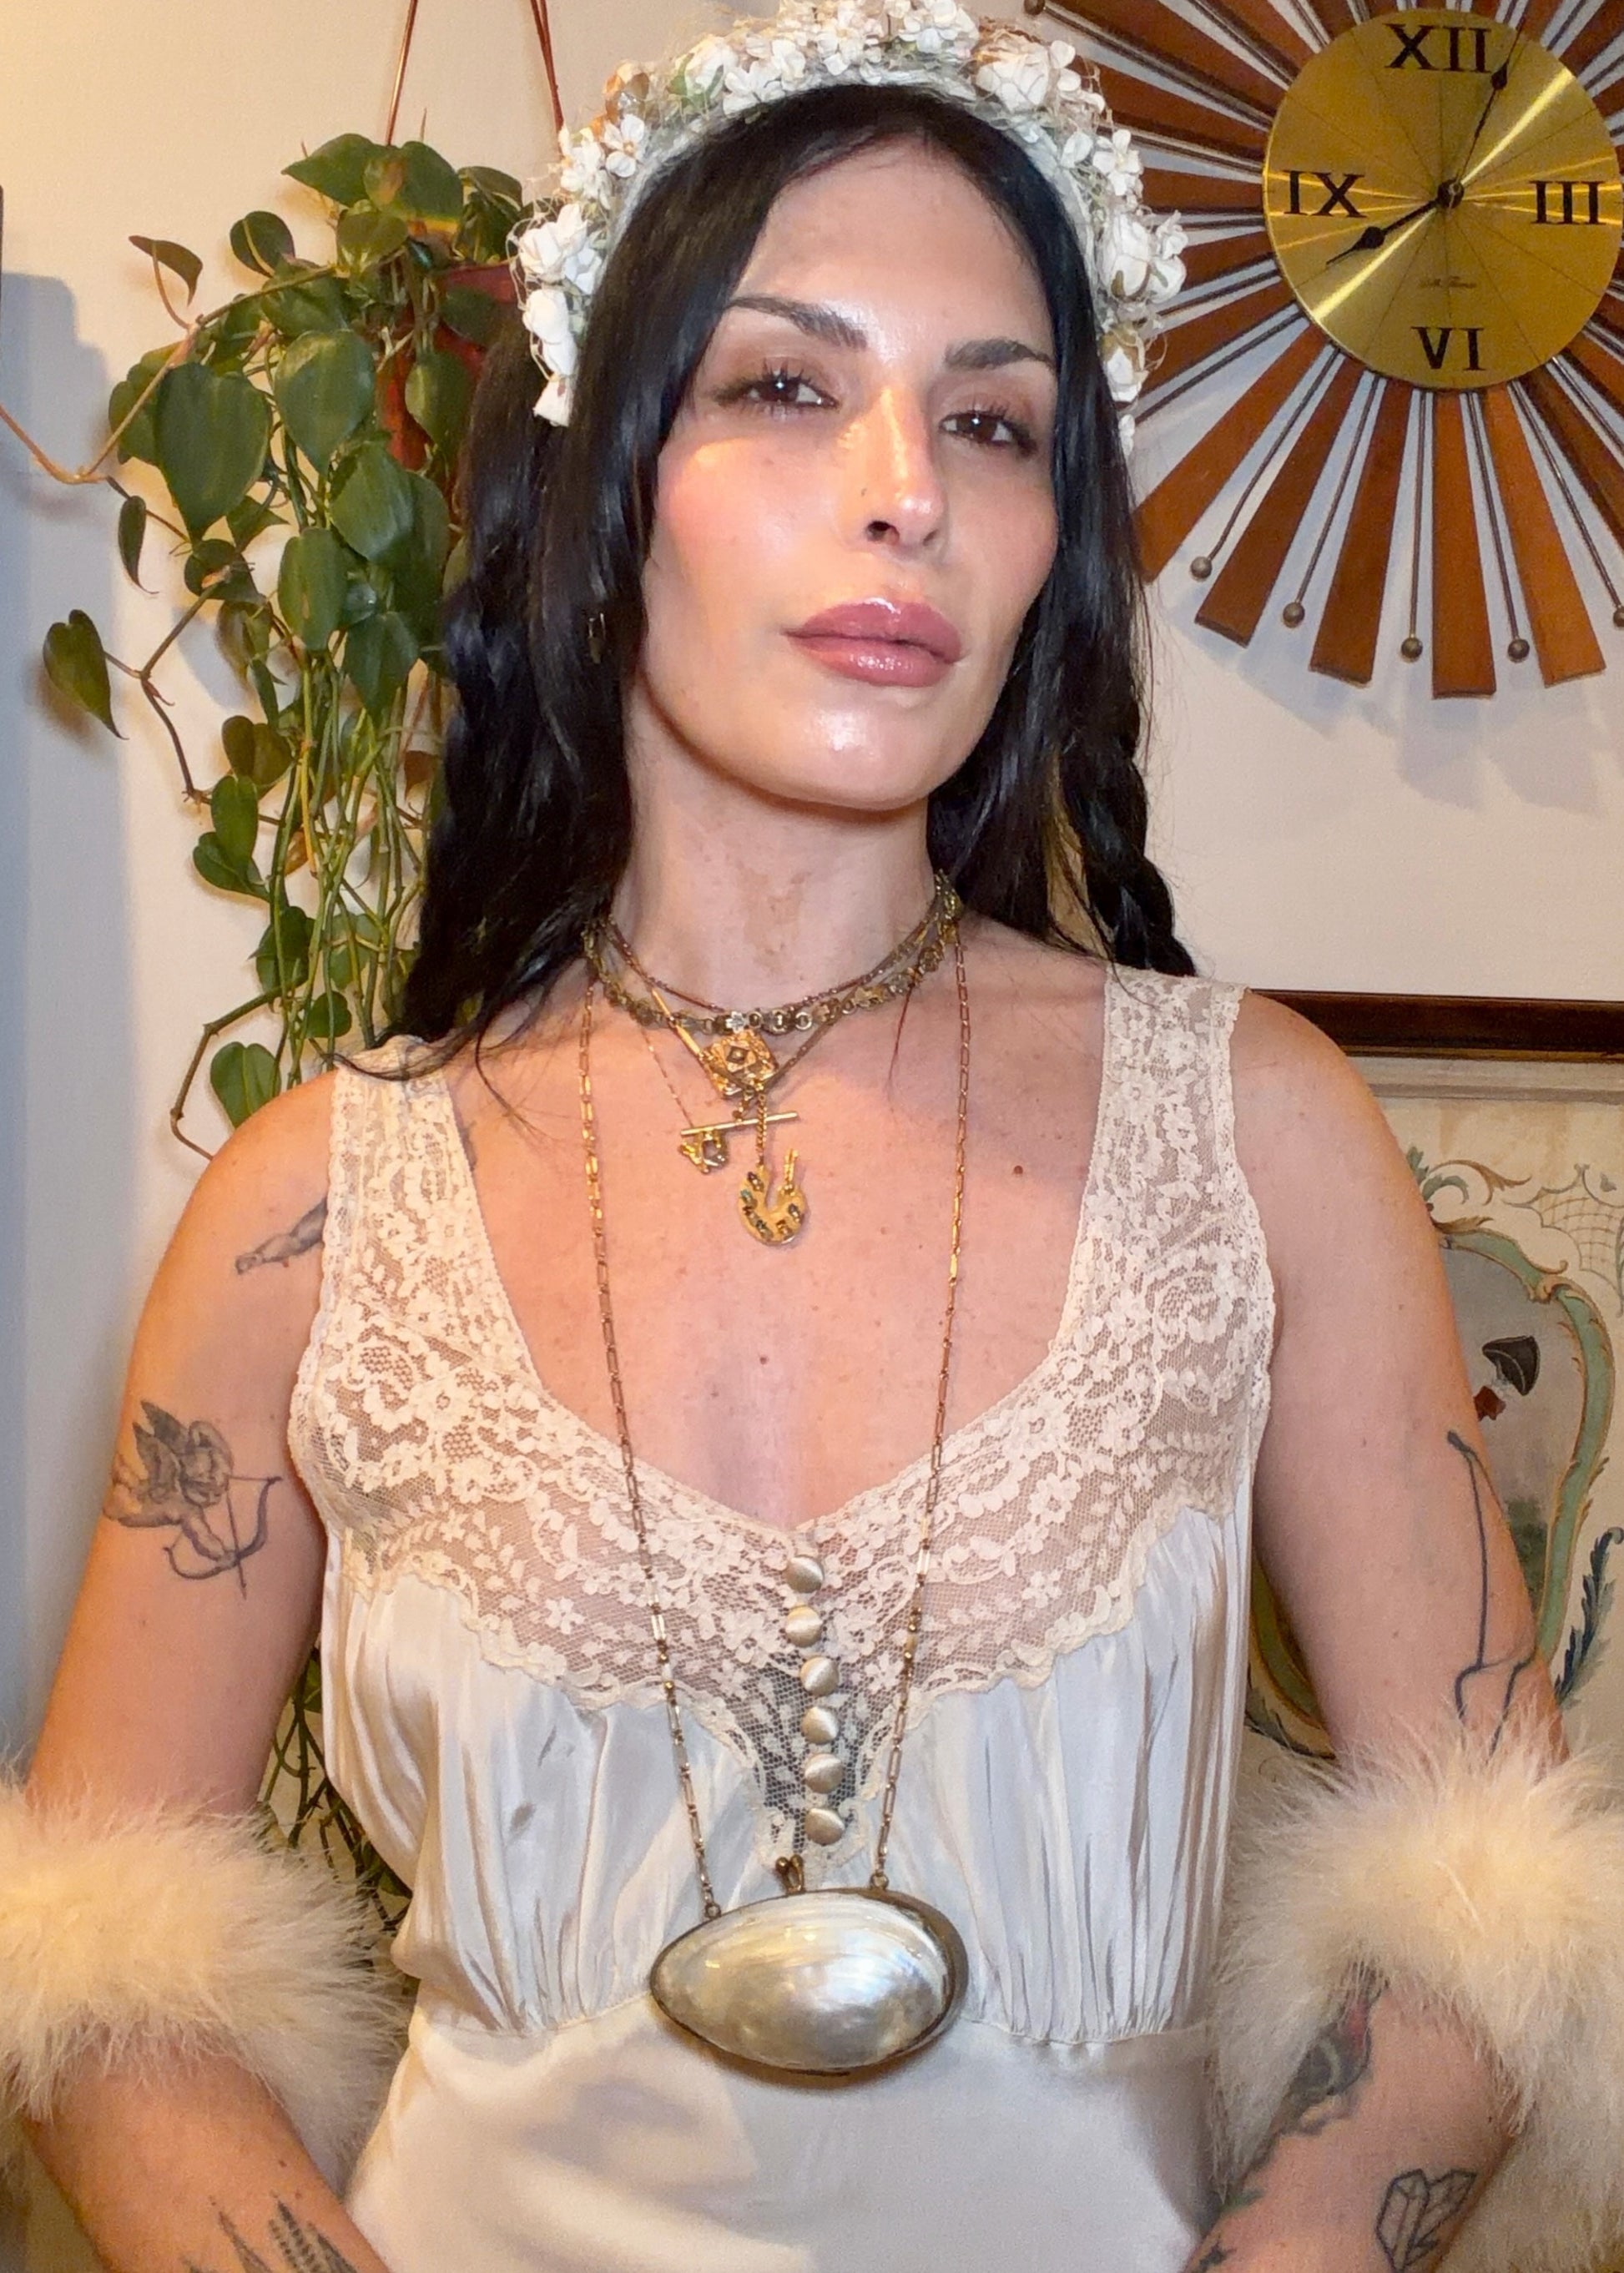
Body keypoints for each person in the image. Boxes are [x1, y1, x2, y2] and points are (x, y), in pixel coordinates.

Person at [6, 8, 1624, 2272]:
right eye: (785, 384)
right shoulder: (306, 1211)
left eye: (993, 421)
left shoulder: (1254, 1135)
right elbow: (97, 1965)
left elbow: (1491, 1897)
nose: (909, 488)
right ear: (594, 489)